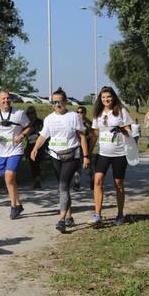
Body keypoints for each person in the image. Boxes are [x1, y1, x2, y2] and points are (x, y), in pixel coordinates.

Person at [31, 89, 90, 233]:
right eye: (54, 102)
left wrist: (86, 156)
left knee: (63, 186)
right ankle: (69, 216)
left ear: (66, 102)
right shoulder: (49, 119)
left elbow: (82, 137)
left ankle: (61, 219)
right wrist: (35, 149)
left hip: (72, 155)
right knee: (63, 187)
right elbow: (43, 136)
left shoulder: (74, 116)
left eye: (60, 102)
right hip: (55, 156)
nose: (57, 104)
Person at [88, 86, 133, 227]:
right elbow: (95, 134)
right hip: (103, 154)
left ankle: (120, 214)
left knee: (118, 184)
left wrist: (121, 129)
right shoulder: (98, 113)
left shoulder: (121, 111)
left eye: (108, 97)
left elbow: (128, 130)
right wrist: (87, 153)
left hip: (119, 154)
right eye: (103, 97)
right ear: (100, 99)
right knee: (97, 181)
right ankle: (97, 215)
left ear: (113, 97)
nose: (106, 99)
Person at [0, 90, 31, 219]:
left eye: (8, 98)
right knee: (8, 179)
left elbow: (29, 127)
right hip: (1, 152)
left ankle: (13, 207)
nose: (6, 101)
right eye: (3, 99)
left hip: (16, 150)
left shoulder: (19, 113)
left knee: (9, 177)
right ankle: (19, 204)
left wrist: (22, 135)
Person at [24, 106, 45, 189]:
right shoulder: (26, 123)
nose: (30, 115)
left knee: (37, 162)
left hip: (40, 146)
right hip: (30, 146)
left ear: (35, 113)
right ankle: (36, 179)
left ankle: (38, 179)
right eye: (28, 113)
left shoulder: (40, 122)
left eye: (31, 113)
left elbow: (44, 134)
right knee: (32, 164)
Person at [74, 106, 93, 191]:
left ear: (85, 113)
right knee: (77, 165)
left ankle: (92, 181)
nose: (79, 114)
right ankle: (77, 183)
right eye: (77, 112)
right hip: (76, 146)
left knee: (88, 165)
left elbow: (92, 135)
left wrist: (85, 138)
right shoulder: (74, 122)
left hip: (86, 146)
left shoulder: (88, 122)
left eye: (81, 112)